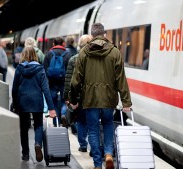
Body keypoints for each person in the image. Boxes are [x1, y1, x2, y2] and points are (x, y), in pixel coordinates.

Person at [70, 23, 132, 169]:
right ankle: (109, 154)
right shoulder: (115, 52)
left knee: (93, 130)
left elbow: (75, 81)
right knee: (108, 124)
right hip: (109, 99)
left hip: (90, 99)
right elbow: (121, 79)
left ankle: (98, 163)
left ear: (92, 35)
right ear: (104, 34)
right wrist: (126, 102)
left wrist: (73, 100)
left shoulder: (84, 52)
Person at [12, 46, 56, 162]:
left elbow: (14, 88)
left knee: (24, 127)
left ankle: (25, 154)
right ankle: (37, 144)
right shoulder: (40, 69)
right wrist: (51, 108)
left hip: (23, 101)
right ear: (35, 55)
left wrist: (15, 104)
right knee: (38, 125)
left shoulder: (19, 69)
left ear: (23, 55)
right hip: (37, 100)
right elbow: (46, 89)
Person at [64, 34, 92, 152]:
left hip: (79, 96)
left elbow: (69, 81)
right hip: (92, 97)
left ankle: (83, 145)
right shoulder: (96, 60)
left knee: (81, 121)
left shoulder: (73, 59)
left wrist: (67, 97)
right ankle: (93, 146)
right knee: (92, 122)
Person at [43, 37, 72, 127]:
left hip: (52, 82)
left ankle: (56, 123)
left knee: (54, 102)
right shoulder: (68, 54)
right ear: (63, 43)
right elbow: (70, 69)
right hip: (64, 82)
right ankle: (63, 113)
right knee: (64, 101)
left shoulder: (49, 54)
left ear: (53, 44)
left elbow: (44, 68)